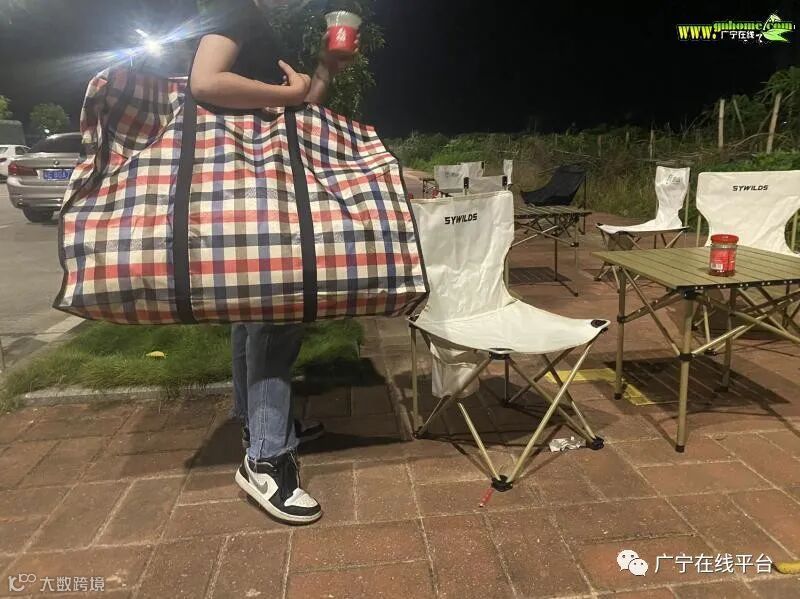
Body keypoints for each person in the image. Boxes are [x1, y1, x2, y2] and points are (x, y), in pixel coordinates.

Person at [191, 0, 358, 525]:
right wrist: (285, 94)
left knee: (253, 312)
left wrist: (325, 70)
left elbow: (295, 112)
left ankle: (260, 425)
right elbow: (205, 82)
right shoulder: (238, 10)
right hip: (250, 184)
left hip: (254, 185)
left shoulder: (259, 23)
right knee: (275, 314)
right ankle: (266, 460)